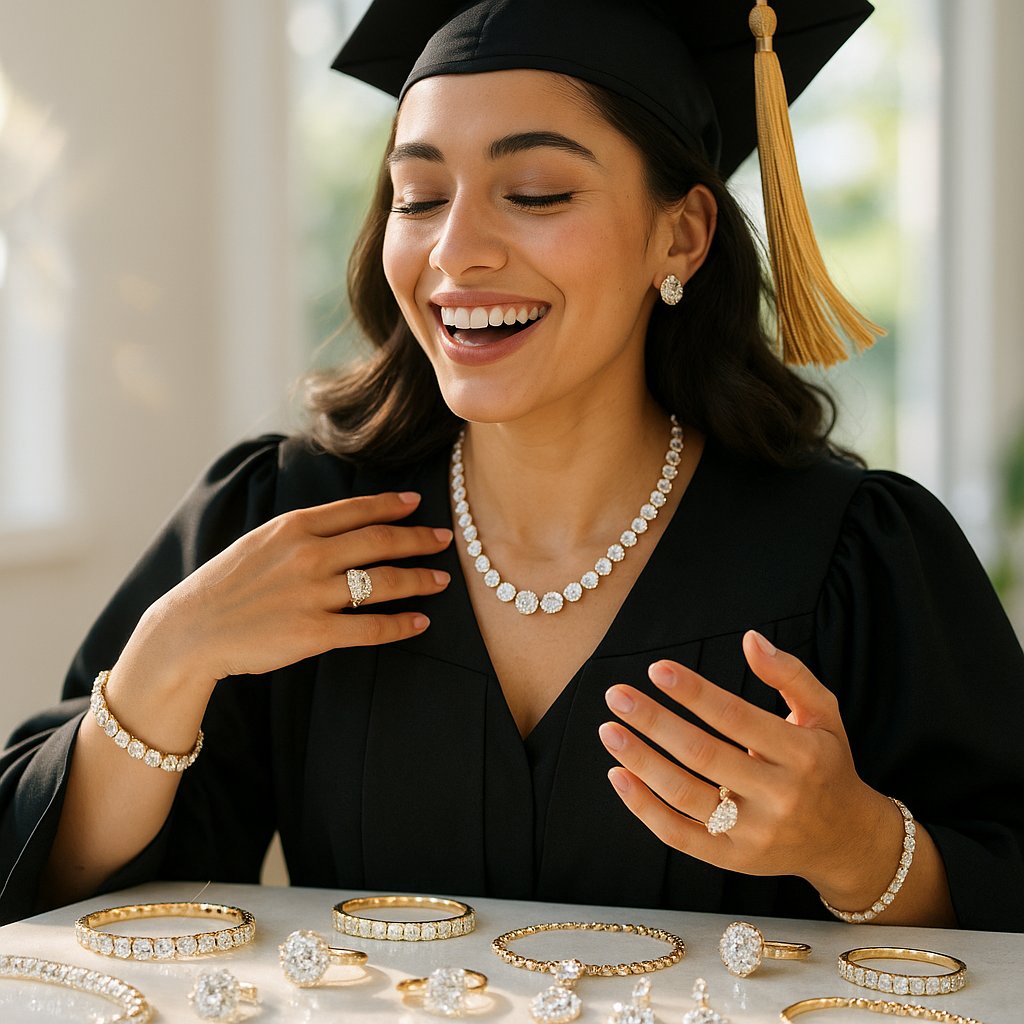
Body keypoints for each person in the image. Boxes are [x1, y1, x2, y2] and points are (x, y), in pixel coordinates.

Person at [2, 0, 1023, 933]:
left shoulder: (848, 556)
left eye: (533, 192)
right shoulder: (289, 516)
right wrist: (164, 664)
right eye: (417, 195)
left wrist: (857, 851)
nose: (456, 250)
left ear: (682, 232)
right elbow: (62, 894)